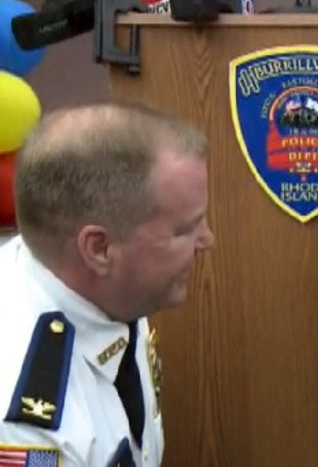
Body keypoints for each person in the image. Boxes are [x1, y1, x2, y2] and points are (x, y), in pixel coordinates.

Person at [0, 102, 214, 466]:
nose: (208, 240)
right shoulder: (28, 421)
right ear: (99, 249)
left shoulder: (102, 287)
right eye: (184, 229)